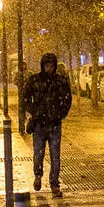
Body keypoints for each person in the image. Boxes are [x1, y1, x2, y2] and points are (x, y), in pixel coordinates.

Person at [23, 53, 72, 197]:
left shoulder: (60, 81)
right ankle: (38, 175)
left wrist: (60, 114)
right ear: (43, 66)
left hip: (54, 124)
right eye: (47, 66)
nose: (49, 69)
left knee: (55, 156)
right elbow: (25, 97)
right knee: (38, 154)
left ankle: (54, 184)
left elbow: (67, 99)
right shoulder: (35, 80)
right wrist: (34, 111)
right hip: (39, 124)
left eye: (51, 66)